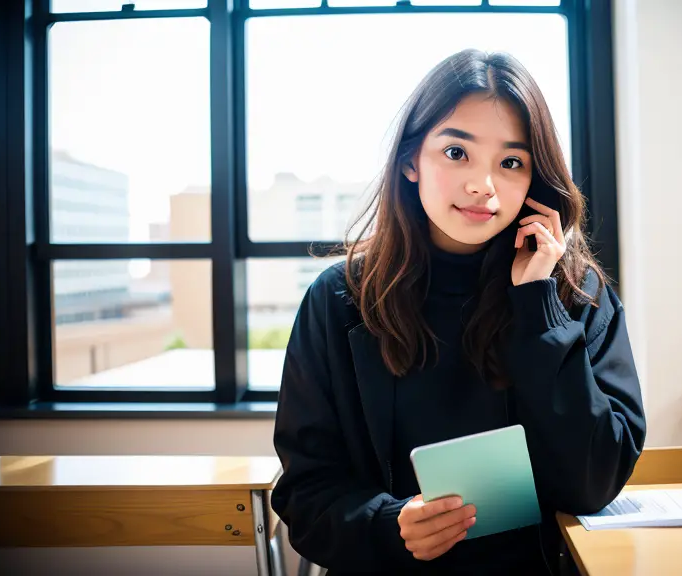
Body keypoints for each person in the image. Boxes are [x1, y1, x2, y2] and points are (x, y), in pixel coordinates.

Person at [271, 49, 646, 575]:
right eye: (456, 153)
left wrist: (537, 307)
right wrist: (388, 524)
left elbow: (595, 483)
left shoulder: (572, 292)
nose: (483, 185)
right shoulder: (341, 299)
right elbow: (306, 492)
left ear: (534, 180)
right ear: (409, 161)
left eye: (511, 162)